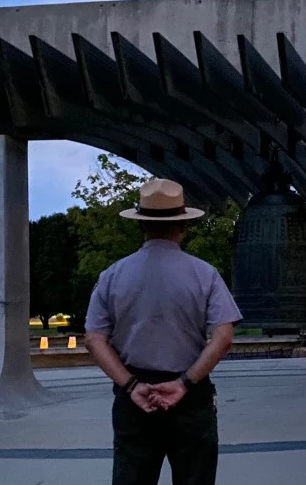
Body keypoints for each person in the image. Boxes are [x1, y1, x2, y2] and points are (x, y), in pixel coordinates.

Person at [83, 179, 242, 485]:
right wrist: (183, 383)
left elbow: (93, 338)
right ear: (183, 225)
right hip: (190, 395)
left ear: (141, 225)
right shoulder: (205, 273)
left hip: (134, 395)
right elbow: (223, 338)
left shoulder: (112, 275)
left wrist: (131, 385)